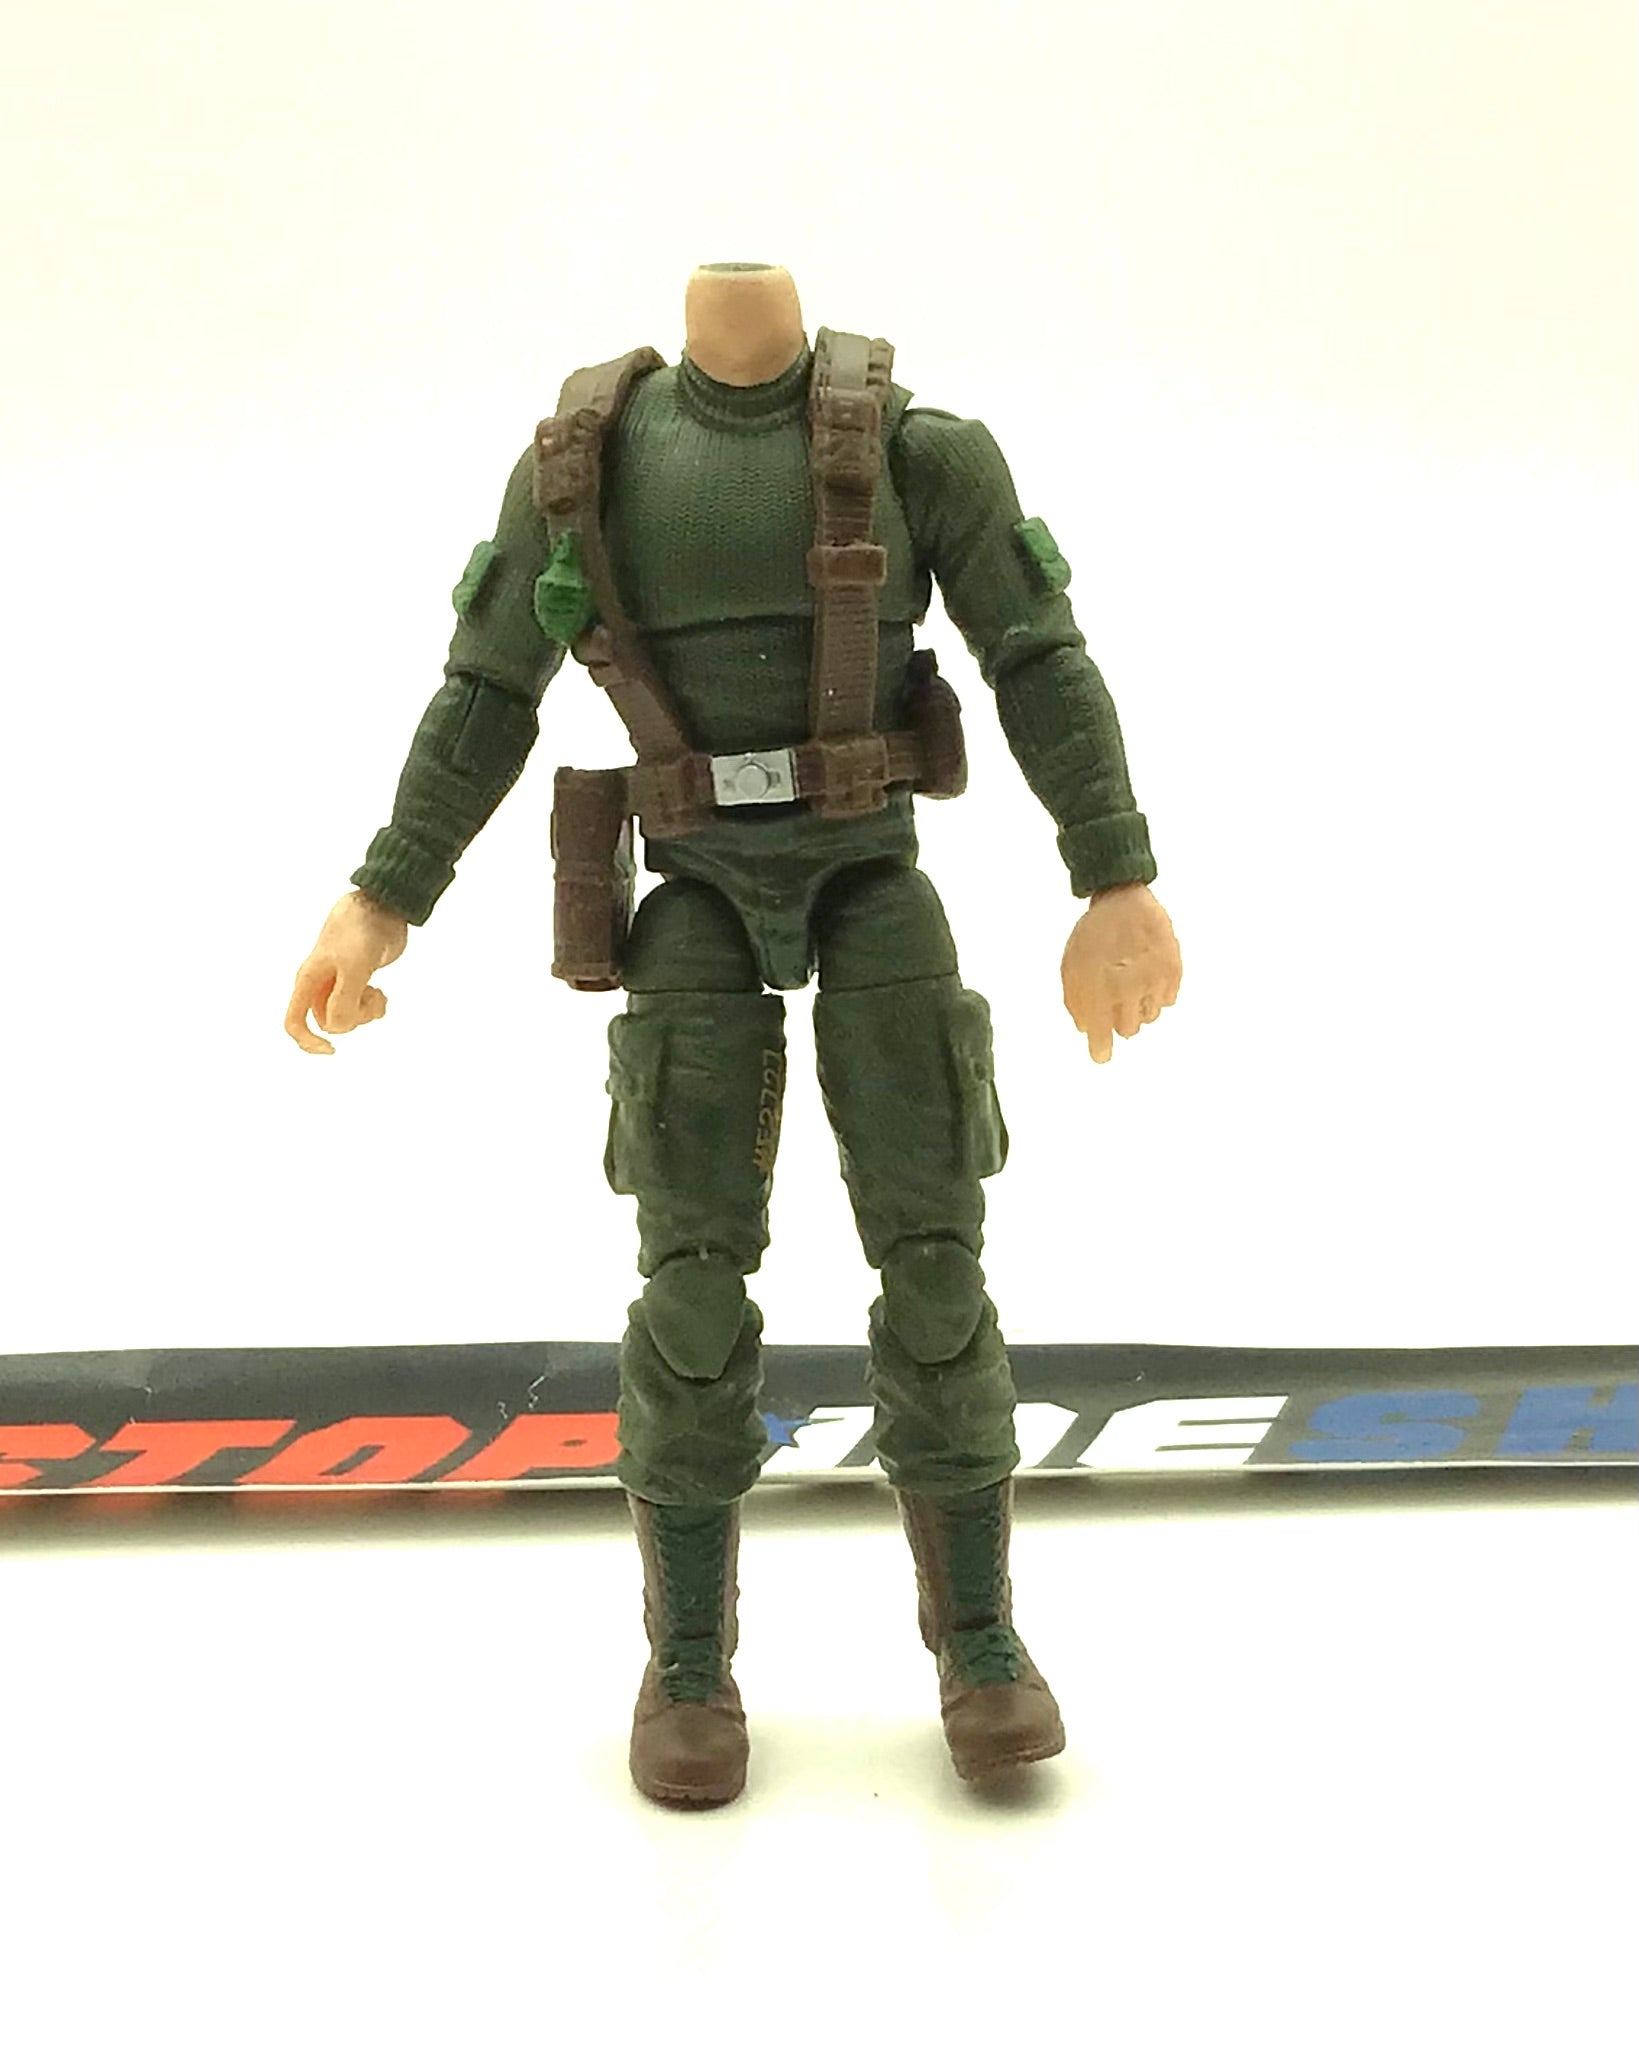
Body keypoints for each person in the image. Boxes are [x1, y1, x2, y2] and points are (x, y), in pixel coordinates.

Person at [285, 263, 1182, 1808]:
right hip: (693, 890)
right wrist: (383, 900)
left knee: (938, 1273)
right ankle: (687, 1660)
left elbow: (1038, 655)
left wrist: (1116, 873)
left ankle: (979, 1641)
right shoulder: (583, 468)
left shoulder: (920, 453)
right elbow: (485, 692)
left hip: (874, 878)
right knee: (690, 1296)